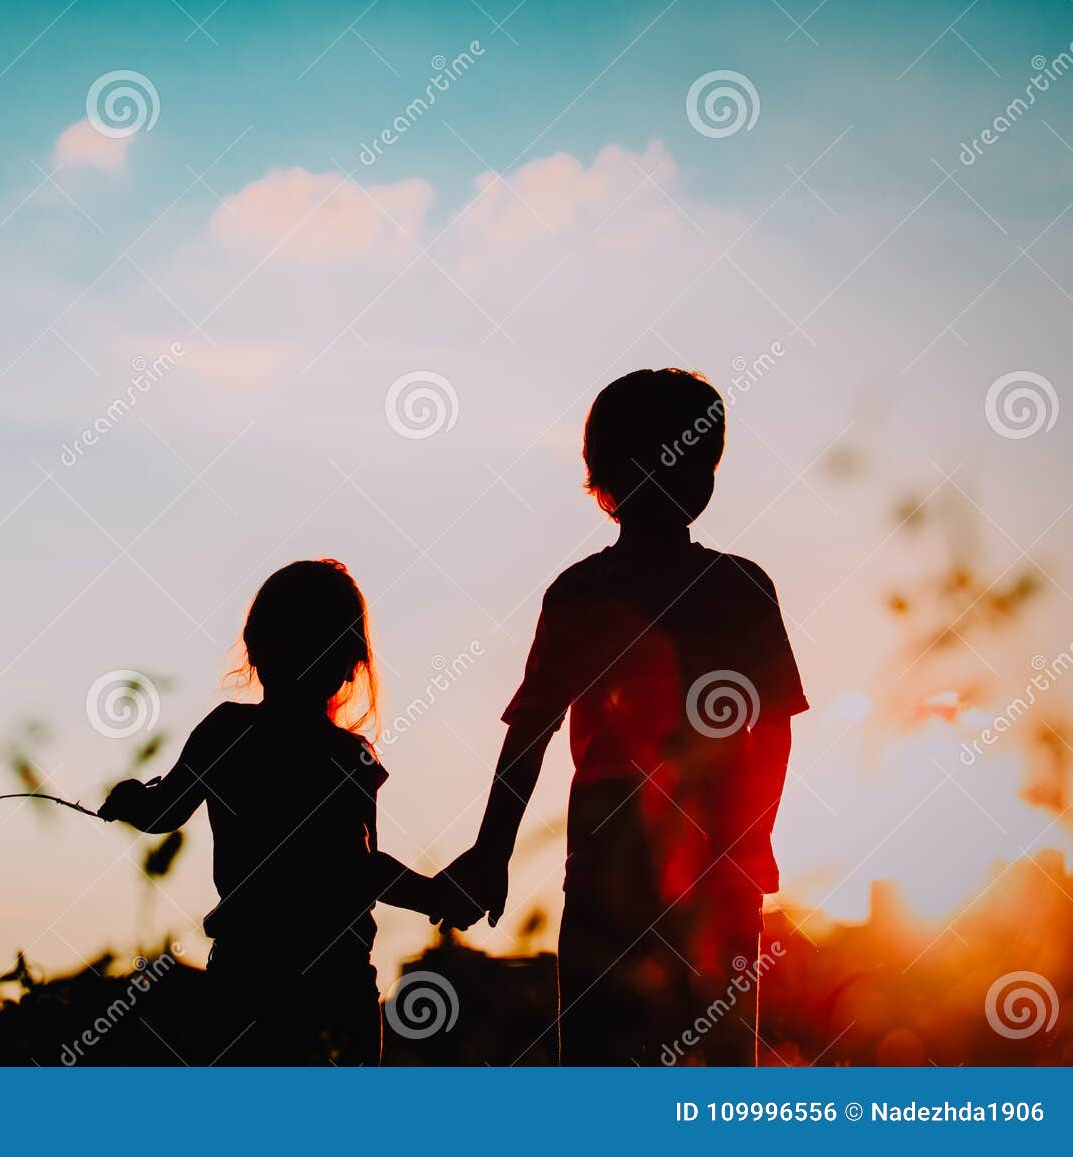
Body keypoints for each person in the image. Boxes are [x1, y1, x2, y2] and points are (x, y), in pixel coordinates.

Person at [433, 368, 808, 1065]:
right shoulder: (737, 588)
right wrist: (747, 842)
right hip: (704, 870)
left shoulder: (583, 592)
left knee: (604, 1075)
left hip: (620, 869)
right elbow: (776, 728)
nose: (695, 473)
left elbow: (528, 737)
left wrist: (492, 851)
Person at [99, 558, 450, 1065]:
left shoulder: (225, 733)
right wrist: (435, 894)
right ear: (351, 662)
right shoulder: (351, 757)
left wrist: (132, 799)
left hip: (245, 978)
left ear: (256, 647)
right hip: (337, 982)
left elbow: (165, 811)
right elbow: (364, 868)